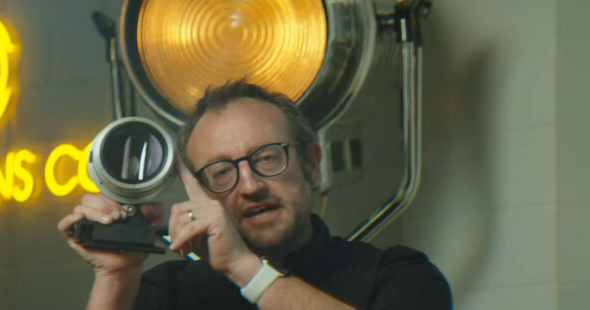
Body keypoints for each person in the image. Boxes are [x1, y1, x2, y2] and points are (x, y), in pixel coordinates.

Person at [58, 80, 452, 310]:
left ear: (312, 164)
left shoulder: (399, 277)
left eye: (267, 158)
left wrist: (245, 268)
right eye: (222, 172)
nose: (249, 186)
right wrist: (115, 277)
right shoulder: (168, 294)